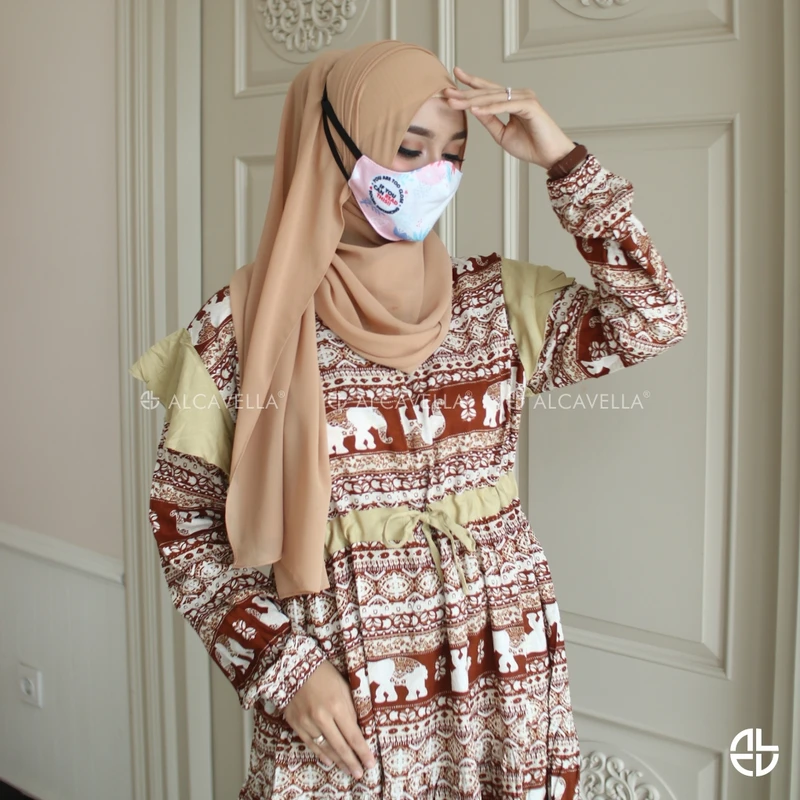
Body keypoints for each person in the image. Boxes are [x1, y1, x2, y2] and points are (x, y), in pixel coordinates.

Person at [129, 39, 687, 800]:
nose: (433, 176)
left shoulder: (494, 302)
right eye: (408, 147)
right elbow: (182, 521)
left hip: (504, 667)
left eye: (453, 154)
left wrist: (565, 164)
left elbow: (651, 318)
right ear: (334, 144)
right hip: (346, 683)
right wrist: (283, 669)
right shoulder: (240, 327)